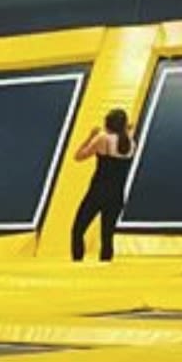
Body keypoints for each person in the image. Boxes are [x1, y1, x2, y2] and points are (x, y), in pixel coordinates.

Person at [71, 108, 135, 263]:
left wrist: (90, 137)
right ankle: (105, 269)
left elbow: (78, 156)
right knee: (107, 237)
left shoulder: (103, 138)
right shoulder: (131, 143)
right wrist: (127, 130)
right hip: (117, 195)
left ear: (108, 124)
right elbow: (122, 139)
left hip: (98, 192)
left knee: (78, 230)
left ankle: (77, 265)